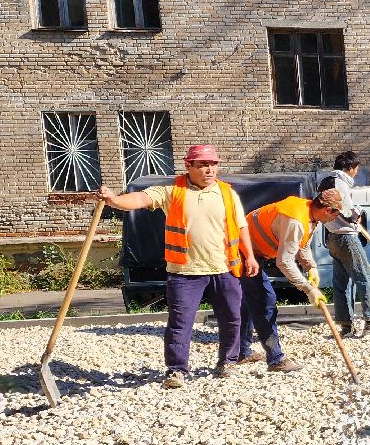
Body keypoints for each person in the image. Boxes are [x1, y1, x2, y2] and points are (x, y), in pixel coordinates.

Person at [97, 144, 258, 388]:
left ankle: (228, 362)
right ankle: (177, 370)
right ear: (189, 166)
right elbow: (141, 198)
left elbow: (242, 226)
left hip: (223, 269)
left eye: (213, 164)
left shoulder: (227, 193)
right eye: (203, 165)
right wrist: (114, 200)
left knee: (232, 319)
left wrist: (251, 256)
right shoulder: (173, 192)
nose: (209, 169)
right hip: (185, 272)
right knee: (180, 323)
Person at [235, 189, 345, 373]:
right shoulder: (295, 220)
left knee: (249, 302)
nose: (336, 218)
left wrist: (311, 267)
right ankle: (276, 359)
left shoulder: (308, 212)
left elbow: (301, 243)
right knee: (265, 300)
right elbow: (284, 262)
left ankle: (242, 352)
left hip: (251, 250)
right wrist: (308, 289)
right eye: (336, 214)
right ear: (327, 210)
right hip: (242, 250)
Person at [319, 151, 370, 337]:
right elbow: (343, 208)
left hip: (332, 236)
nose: (356, 173)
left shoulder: (326, 181)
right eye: (356, 169)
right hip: (346, 236)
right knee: (366, 277)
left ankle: (346, 325)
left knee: (342, 283)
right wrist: (356, 216)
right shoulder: (340, 182)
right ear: (350, 168)